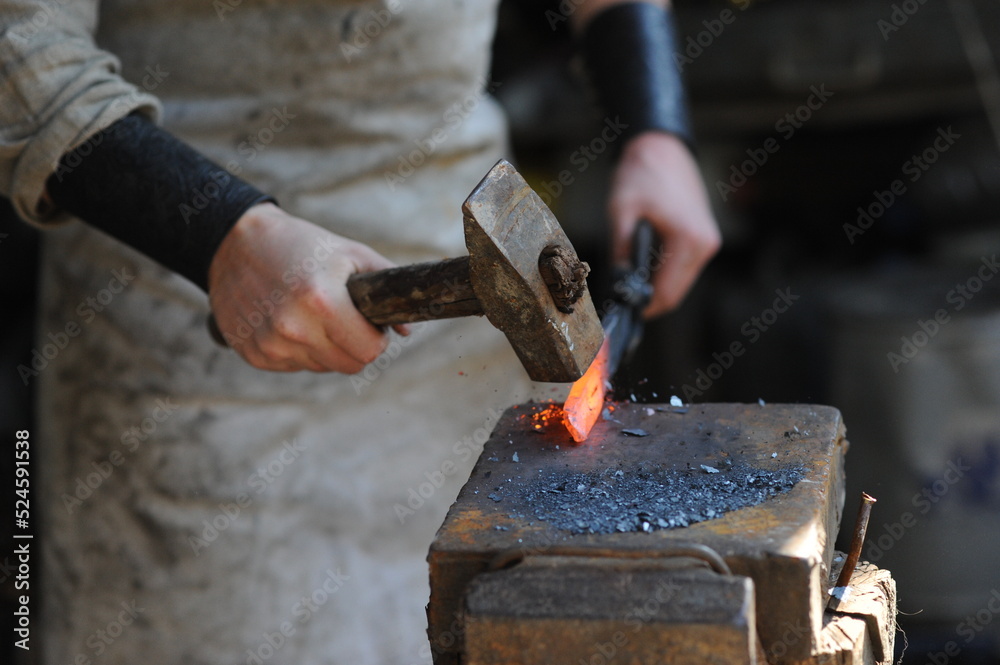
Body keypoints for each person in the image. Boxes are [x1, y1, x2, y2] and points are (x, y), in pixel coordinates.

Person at [1, 0, 720, 663]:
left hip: (456, 333)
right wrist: (221, 237)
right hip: (186, 300)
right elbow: (21, 51)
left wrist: (655, 126)